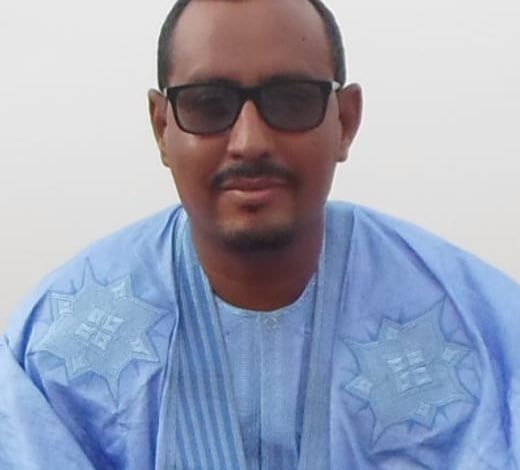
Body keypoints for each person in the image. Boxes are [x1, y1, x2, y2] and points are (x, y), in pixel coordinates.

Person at [0, 0, 519, 468]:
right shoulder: (54, 345)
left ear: (345, 121)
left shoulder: (482, 324)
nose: (249, 142)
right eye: (208, 104)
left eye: (291, 101)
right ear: (162, 127)